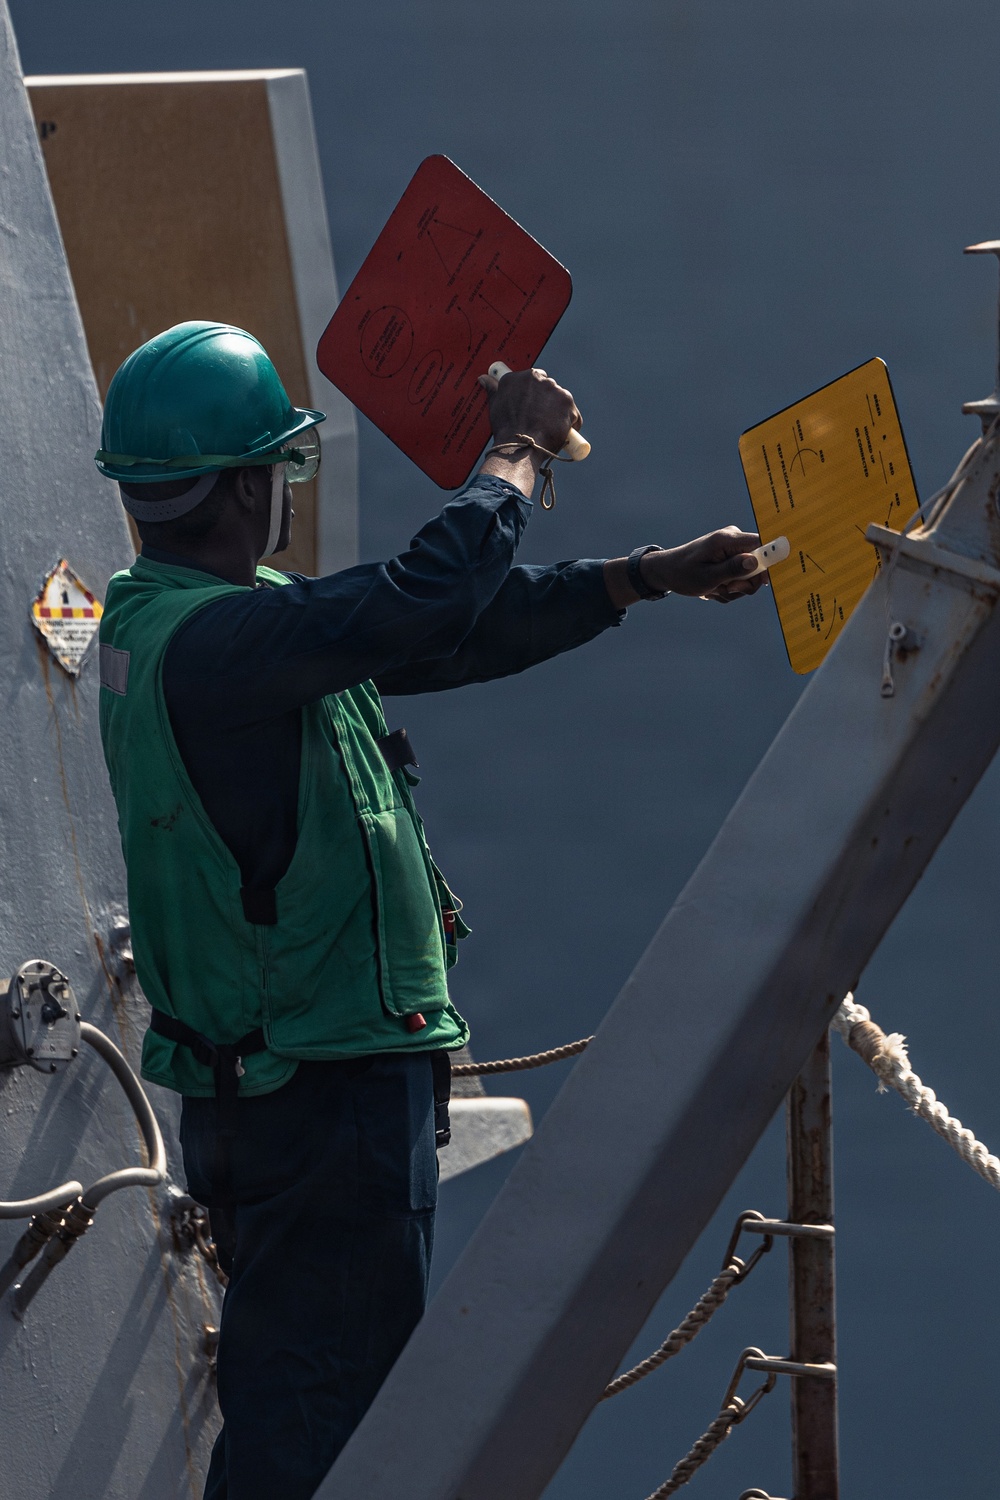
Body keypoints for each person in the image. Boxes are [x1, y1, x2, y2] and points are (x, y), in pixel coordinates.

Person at [94, 321, 765, 1500]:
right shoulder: (217, 643)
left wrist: (636, 578)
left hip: (291, 1088)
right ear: (252, 483)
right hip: (319, 1100)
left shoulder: (205, 620)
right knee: (320, 1435)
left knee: (307, 1406)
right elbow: (418, 604)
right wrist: (515, 452)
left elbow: (445, 630)